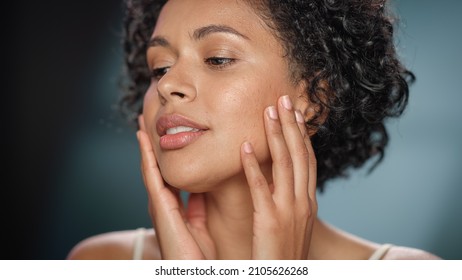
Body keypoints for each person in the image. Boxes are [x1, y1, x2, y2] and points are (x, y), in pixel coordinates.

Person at [67, 0, 440, 260]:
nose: (166, 86)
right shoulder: (99, 262)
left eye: (218, 58)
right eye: (159, 67)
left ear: (315, 97)